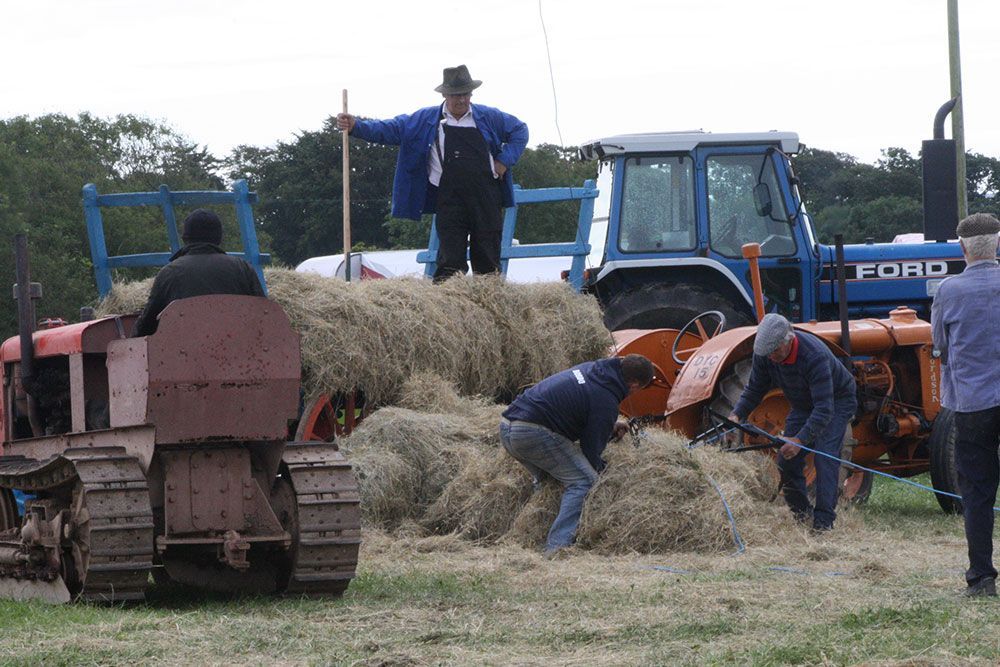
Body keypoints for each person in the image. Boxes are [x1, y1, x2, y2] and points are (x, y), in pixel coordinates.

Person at [336, 65, 528, 280]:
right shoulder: (425, 119)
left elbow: (520, 130)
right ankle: (448, 302)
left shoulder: (489, 117)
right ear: (445, 95)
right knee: (450, 261)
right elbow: (389, 129)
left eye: (465, 94)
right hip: (448, 198)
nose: (461, 100)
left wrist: (504, 160)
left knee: (487, 257)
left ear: (471, 94)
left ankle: (490, 300)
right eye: (456, 95)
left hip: (486, 196)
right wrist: (356, 126)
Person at [499, 354, 655, 555]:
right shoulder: (605, 399)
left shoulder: (593, 370)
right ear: (634, 385)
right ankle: (557, 549)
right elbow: (591, 450)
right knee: (583, 481)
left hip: (507, 428)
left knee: (551, 481)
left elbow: (579, 406)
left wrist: (607, 425)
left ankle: (533, 535)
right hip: (532, 433)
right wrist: (605, 474)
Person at [728, 313, 856, 532]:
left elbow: (824, 409)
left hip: (836, 401)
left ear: (788, 341)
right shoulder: (766, 354)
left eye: (775, 352)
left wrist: (799, 440)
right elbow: (755, 388)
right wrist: (736, 415)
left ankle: (824, 522)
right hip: (803, 404)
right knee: (786, 459)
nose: (771, 358)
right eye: (767, 353)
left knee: (825, 455)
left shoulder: (813, 356)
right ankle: (801, 514)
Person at [931, 212, 1000, 598]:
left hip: (973, 403)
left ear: (962, 249)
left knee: (976, 491)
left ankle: (982, 578)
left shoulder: (948, 291)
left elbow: (938, 345)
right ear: (998, 244)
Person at [132, 209, 265, 337]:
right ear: (219, 238)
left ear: (185, 238)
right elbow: (264, 315)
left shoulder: (169, 273)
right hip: (241, 353)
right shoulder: (243, 268)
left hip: (183, 356)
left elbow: (146, 326)